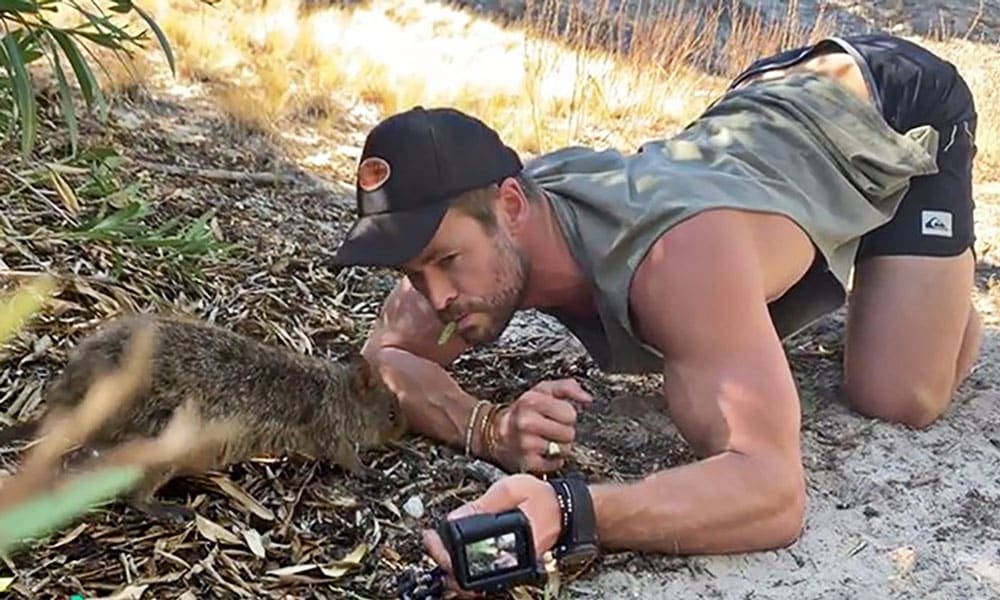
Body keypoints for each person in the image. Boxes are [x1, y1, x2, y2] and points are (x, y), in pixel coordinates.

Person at [330, 31, 981, 586]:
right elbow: (382, 357)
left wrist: (569, 509)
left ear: (512, 207)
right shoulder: (491, 228)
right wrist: (488, 428)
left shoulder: (675, 261)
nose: (435, 296)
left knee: (898, 393)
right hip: (762, 105)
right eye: (411, 271)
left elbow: (773, 494)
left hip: (893, 100)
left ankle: (927, 274)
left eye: (446, 261)